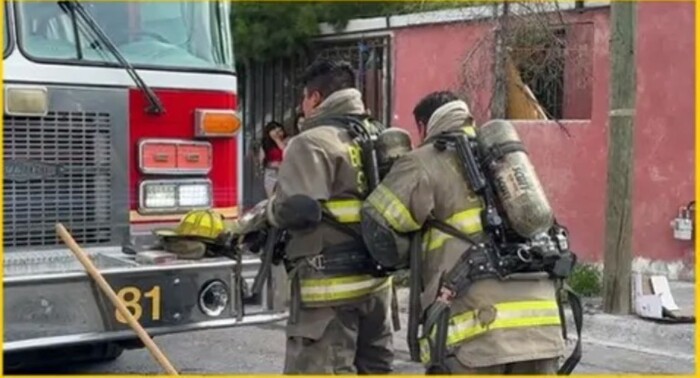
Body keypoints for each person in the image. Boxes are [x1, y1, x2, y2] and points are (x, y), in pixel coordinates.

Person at [360, 91, 567, 374]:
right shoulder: (503, 158)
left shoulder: (422, 161)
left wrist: (409, 256)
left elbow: (378, 225)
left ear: (423, 127)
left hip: (478, 327)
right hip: (542, 324)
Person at [265, 59, 394, 374]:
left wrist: (267, 212)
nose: (302, 107)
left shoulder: (310, 142)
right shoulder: (379, 136)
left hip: (327, 291)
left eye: (303, 99)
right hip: (376, 286)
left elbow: (296, 210)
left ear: (315, 98)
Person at [259, 121, 288, 198]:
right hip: (271, 172)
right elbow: (262, 160)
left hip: (284, 172)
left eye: (280, 131)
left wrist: (277, 139)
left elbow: (286, 152)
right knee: (271, 196)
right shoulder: (266, 144)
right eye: (276, 132)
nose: (278, 133)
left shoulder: (287, 141)